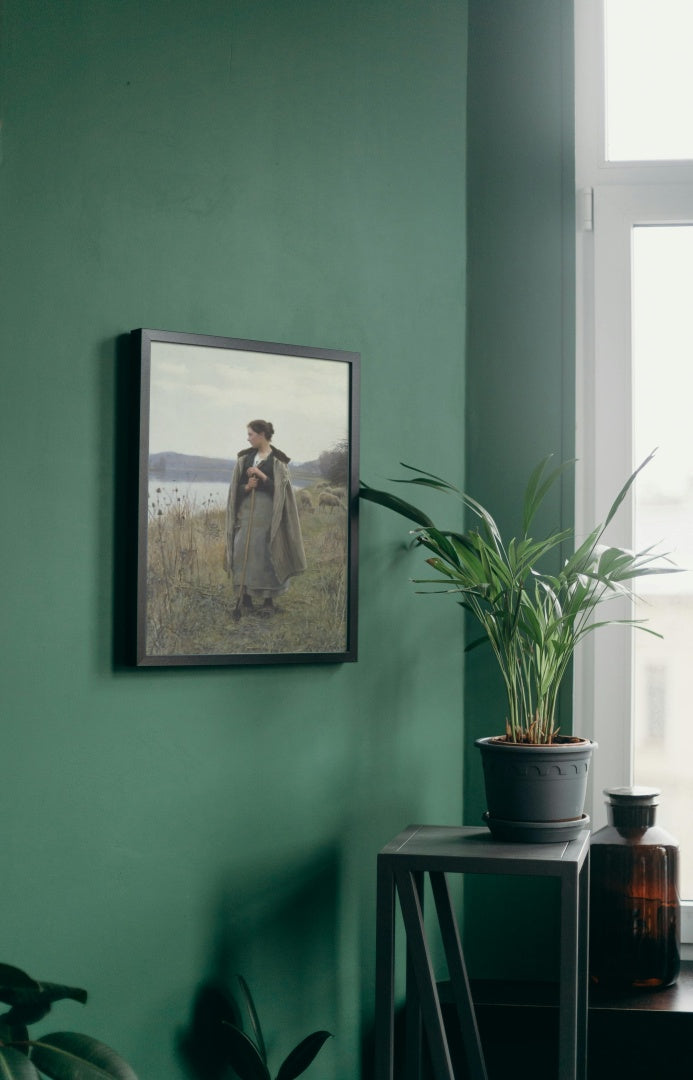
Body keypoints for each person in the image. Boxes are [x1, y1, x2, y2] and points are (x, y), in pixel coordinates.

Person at [225, 419, 307, 616]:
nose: (248, 438)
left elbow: (281, 491)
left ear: (262, 434)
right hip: (246, 516)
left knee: (266, 554)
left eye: (251, 434)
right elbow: (234, 489)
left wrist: (261, 476)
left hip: (269, 516)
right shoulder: (244, 459)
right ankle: (245, 598)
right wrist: (246, 487)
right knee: (242, 551)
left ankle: (269, 601)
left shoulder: (278, 461)